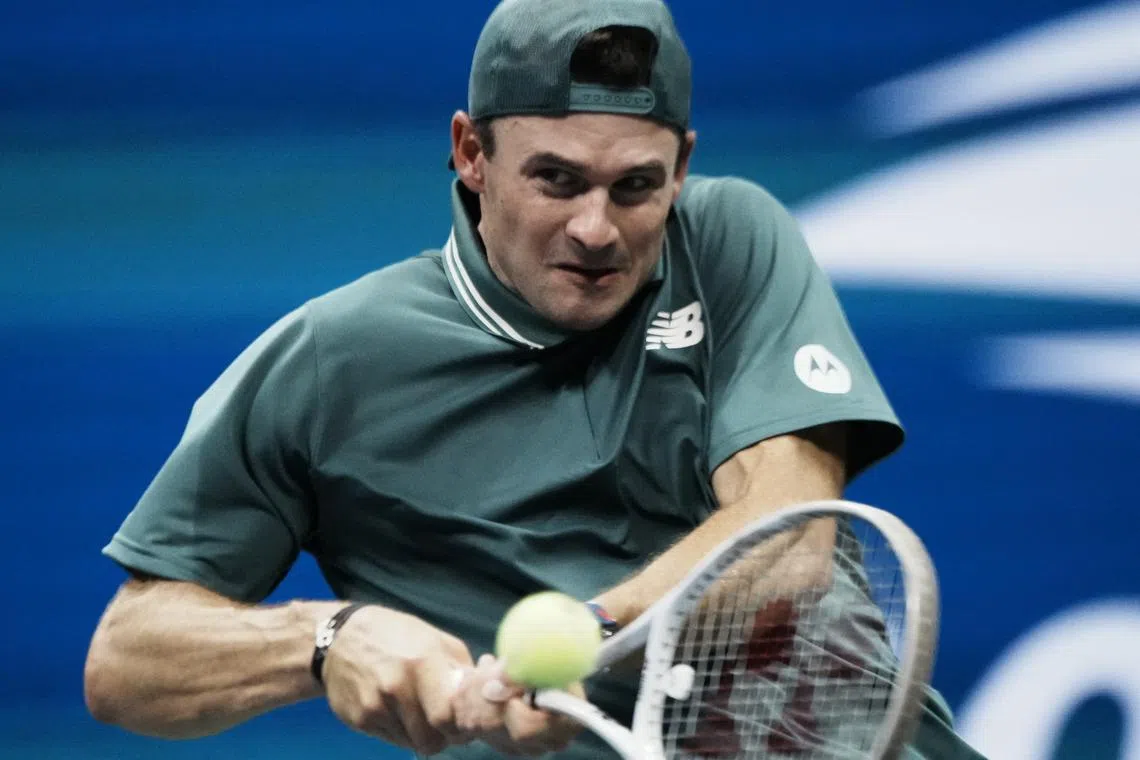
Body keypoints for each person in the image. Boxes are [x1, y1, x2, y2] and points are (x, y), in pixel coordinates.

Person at [83, 0, 985, 758]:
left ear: (682, 168)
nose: (596, 229)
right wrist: (325, 640)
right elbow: (127, 657)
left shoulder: (727, 241)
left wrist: (583, 636)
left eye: (635, 187)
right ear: (471, 154)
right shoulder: (331, 361)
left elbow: (788, 538)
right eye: (556, 179)